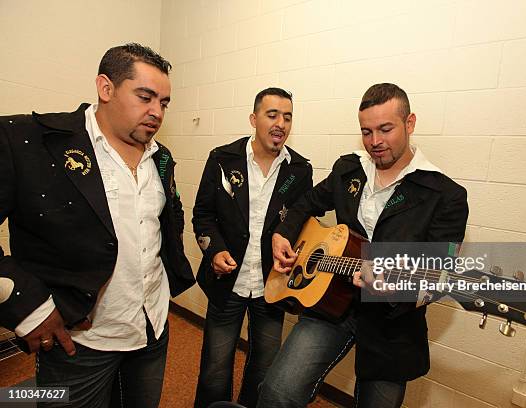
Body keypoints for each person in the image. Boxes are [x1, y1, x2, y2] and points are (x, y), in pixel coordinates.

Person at [0, 43, 195, 407]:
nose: (156, 112)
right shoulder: (29, 140)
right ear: (106, 88)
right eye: (145, 97)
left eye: (164, 103)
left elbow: (164, 221)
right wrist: (27, 305)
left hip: (151, 327)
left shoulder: (161, 156)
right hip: (80, 339)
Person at [257, 83, 469, 408]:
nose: (375, 142)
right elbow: (307, 202)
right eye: (366, 131)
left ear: (409, 123)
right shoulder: (349, 169)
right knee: (276, 393)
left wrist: (392, 287)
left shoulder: (445, 196)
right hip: (330, 303)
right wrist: (283, 233)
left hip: (391, 325)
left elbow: (437, 276)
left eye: (386, 129)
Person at [192, 88, 313, 407]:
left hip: (272, 287)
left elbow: (303, 222)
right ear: (254, 118)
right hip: (227, 284)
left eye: (287, 117)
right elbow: (202, 215)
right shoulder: (223, 158)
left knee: (264, 370)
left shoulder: (299, 171)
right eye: (272, 115)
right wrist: (213, 250)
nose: (280, 124)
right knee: (215, 370)